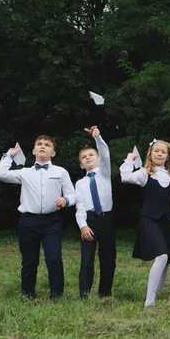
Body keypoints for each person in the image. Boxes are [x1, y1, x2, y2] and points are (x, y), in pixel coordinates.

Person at [0, 135, 76, 299]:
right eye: (39, 144)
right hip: (28, 221)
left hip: (52, 221)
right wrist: (9, 155)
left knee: (54, 258)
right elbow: (0, 174)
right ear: (33, 151)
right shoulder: (25, 173)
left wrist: (66, 200)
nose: (42, 146)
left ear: (52, 153)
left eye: (47, 145)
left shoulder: (61, 172)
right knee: (29, 261)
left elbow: (72, 194)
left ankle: (57, 295)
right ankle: (27, 294)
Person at [120, 139, 170, 307]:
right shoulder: (144, 173)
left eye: (163, 152)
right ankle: (149, 302)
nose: (160, 154)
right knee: (162, 256)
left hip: (167, 221)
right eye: (156, 151)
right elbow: (125, 177)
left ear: (168, 156)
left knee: (168, 258)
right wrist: (129, 160)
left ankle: (156, 293)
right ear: (150, 153)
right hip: (149, 219)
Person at [75, 126, 116, 298]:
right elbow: (80, 208)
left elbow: (105, 153)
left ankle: (104, 292)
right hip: (89, 221)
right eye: (84, 157)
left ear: (98, 159)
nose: (88, 158)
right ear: (81, 164)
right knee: (87, 260)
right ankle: (84, 294)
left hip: (106, 220)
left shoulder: (105, 173)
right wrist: (83, 226)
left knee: (108, 259)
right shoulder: (79, 183)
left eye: (91, 155)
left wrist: (98, 138)